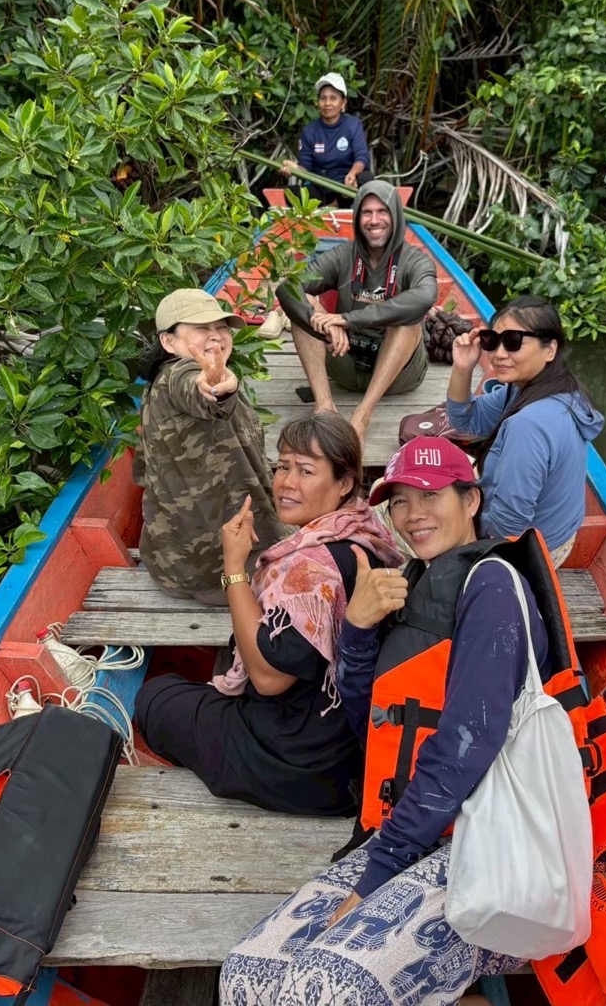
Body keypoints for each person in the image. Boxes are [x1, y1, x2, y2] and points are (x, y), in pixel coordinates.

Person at [219, 436, 555, 1005]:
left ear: (471, 500)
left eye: (430, 495)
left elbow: (464, 748)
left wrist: (377, 874)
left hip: (485, 848)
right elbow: (369, 725)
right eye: (399, 501)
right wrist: (356, 628)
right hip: (409, 830)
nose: (413, 514)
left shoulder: (492, 587)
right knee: (243, 978)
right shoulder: (416, 583)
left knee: (324, 989)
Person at [134, 413, 403, 816]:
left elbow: (269, 679)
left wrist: (233, 567)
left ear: (345, 483)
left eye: (306, 470)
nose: (286, 482)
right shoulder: (364, 534)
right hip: (345, 750)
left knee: (155, 697)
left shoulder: (309, 571)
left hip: (295, 764)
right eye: (282, 466)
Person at [134, 288, 284, 608]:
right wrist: (217, 388)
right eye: (202, 328)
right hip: (214, 569)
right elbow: (198, 388)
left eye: (221, 328)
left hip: (174, 560)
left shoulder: (162, 379)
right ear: (168, 341)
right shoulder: (180, 375)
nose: (216, 336)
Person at [446, 294, 604, 566]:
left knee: (395, 506)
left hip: (531, 551)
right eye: (492, 341)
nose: (498, 354)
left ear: (550, 349)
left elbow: (508, 526)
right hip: (557, 535)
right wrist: (462, 368)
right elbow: (466, 419)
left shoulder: (529, 425)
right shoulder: (545, 387)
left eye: (513, 341)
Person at [277, 179, 437, 441]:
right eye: (366, 212)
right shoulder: (343, 255)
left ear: (396, 215)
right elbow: (288, 287)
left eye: (382, 211)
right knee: (305, 306)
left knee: (408, 320)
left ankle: (361, 417)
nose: (374, 220)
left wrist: (347, 319)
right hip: (345, 361)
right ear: (357, 217)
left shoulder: (415, 260)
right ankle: (324, 408)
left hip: (398, 375)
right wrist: (326, 326)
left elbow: (425, 296)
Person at [281, 72, 371, 204]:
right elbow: (306, 168)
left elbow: (362, 157)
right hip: (319, 188)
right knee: (290, 193)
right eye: (323, 98)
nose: (327, 103)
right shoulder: (309, 131)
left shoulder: (353, 125)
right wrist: (295, 169)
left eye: (333, 98)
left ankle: (336, 204)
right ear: (318, 102)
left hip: (346, 189)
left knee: (366, 178)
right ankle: (327, 206)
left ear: (343, 103)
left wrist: (352, 174)